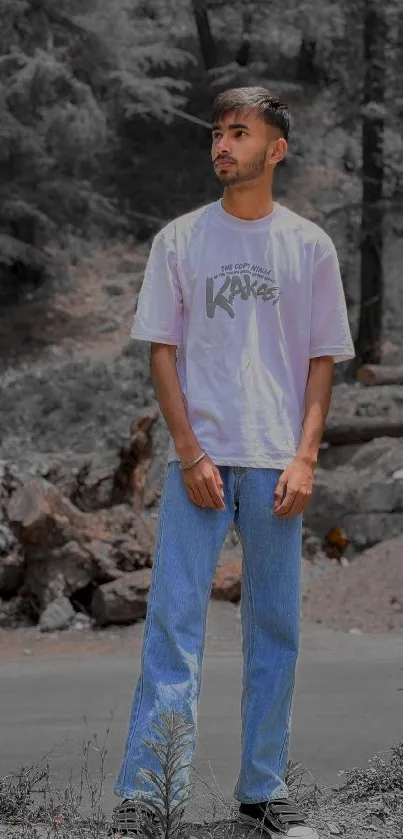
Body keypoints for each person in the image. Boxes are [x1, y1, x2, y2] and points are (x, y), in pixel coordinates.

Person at [111, 86, 355, 838]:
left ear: (274, 149)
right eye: (216, 132)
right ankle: (148, 797)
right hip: (202, 465)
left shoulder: (307, 245)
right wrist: (187, 451)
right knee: (173, 625)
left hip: (277, 465)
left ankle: (263, 790)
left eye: (238, 133)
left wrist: (305, 456)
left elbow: (321, 361)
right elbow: (162, 351)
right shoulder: (181, 240)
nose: (222, 144)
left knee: (273, 629)